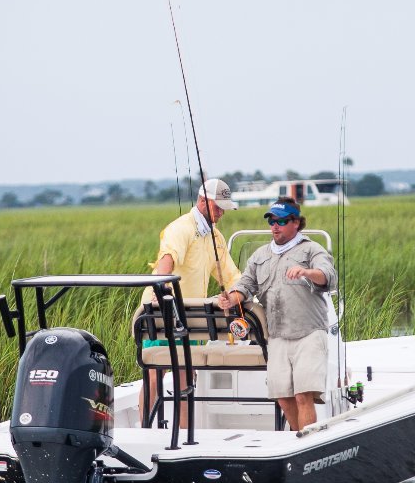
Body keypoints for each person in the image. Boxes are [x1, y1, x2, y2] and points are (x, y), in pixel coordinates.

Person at [216, 197, 337, 431]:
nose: (275, 226)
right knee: (283, 397)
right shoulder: (260, 255)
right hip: (277, 336)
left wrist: (307, 272)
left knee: (303, 395)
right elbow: (245, 285)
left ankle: (306, 442)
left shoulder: (312, 249)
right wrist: (231, 298)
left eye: (281, 221)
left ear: (296, 223)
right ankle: (298, 436)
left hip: (309, 334)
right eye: (271, 221)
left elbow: (328, 276)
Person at [140, 178, 242, 425]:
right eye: (218, 207)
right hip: (161, 309)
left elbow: (231, 276)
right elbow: (168, 258)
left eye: (224, 208)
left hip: (192, 315)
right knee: (154, 373)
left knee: (186, 375)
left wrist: (242, 293)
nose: (221, 213)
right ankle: (144, 427)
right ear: (203, 201)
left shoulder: (216, 237)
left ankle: (185, 432)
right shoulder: (180, 228)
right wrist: (162, 288)